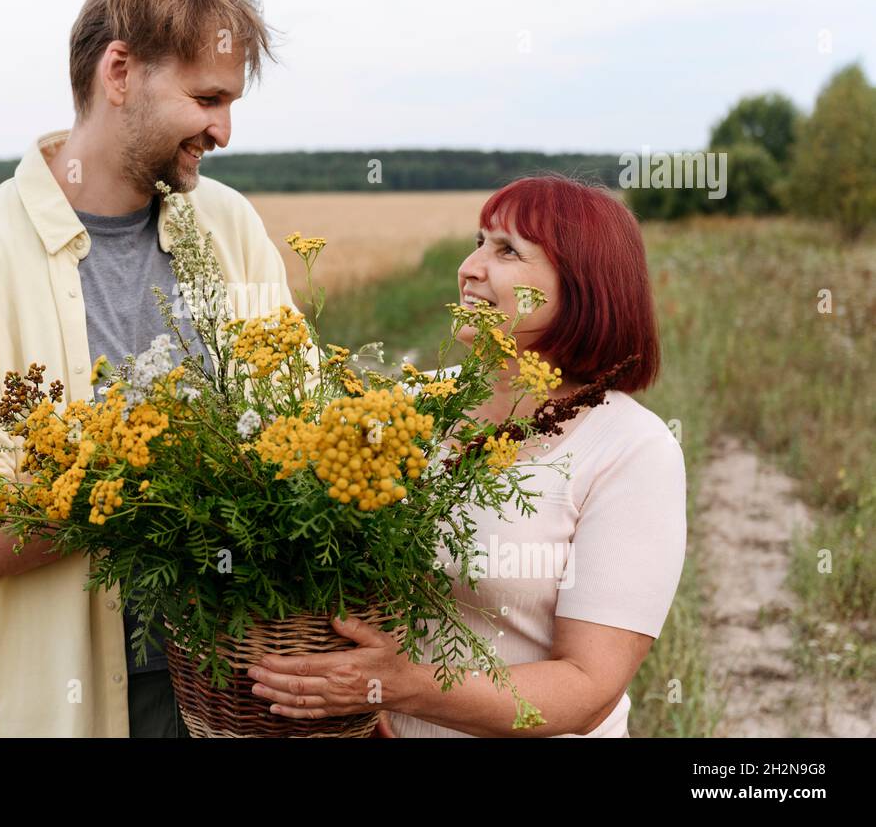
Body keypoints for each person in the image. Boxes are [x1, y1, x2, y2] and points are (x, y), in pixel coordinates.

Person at [0, 0, 295, 737]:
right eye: (208, 99)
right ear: (120, 73)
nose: (223, 131)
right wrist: (151, 474)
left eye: (231, 105)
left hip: (247, 686)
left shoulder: (230, 226)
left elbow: (301, 430)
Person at [246, 175, 687, 737]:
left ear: (581, 286)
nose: (471, 267)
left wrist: (401, 685)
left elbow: (587, 688)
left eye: (507, 251)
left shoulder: (632, 449)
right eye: (479, 241)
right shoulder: (412, 405)